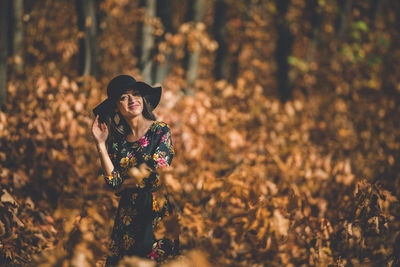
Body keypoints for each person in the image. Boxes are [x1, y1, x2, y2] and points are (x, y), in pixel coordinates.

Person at [91, 75, 179, 265]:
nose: (132, 100)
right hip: (127, 217)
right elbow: (113, 183)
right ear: (116, 106)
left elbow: (157, 176)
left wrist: (126, 185)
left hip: (156, 214)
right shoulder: (118, 142)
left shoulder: (160, 131)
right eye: (124, 97)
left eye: (136, 94)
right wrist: (101, 145)